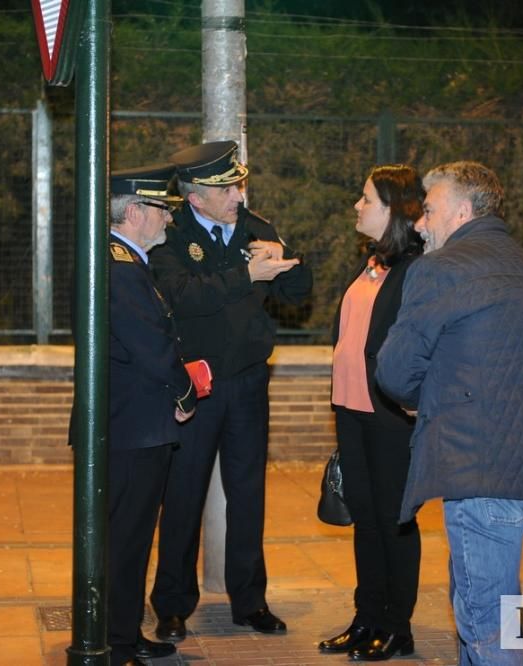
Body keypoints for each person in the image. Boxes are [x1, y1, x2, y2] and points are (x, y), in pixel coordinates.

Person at [375, 161, 523, 665]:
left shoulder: (438, 269)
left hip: (479, 469)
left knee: (486, 624)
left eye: (430, 210)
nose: (419, 224)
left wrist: (425, 397)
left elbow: (395, 372)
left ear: (462, 211)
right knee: (486, 609)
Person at [148, 140, 313, 641]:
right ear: (196, 198)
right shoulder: (171, 236)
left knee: (248, 494)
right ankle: (172, 604)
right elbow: (180, 297)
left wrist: (288, 262)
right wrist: (244, 274)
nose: (239, 195)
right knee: (183, 495)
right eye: (227, 189)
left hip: (247, 384)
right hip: (196, 386)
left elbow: (298, 294)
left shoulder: (255, 228)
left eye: (239, 185)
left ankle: (250, 601)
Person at [319, 165, 425, 661]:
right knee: (366, 518)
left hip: (391, 414)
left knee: (394, 521)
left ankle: (396, 626)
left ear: (393, 209)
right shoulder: (372, 263)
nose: (357, 207)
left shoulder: (417, 269)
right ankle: (367, 618)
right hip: (352, 408)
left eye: (366, 200)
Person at [98, 165, 199, 665]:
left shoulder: (126, 263)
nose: (167, 219)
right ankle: (116, 642)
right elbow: (151, 347)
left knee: (134, 537)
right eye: (161, 209)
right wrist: (185, 388)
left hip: (135, 423)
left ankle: (125, 631)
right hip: (132, 427)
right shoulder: (121, 267)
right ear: (136, 213)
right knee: (126, 536)